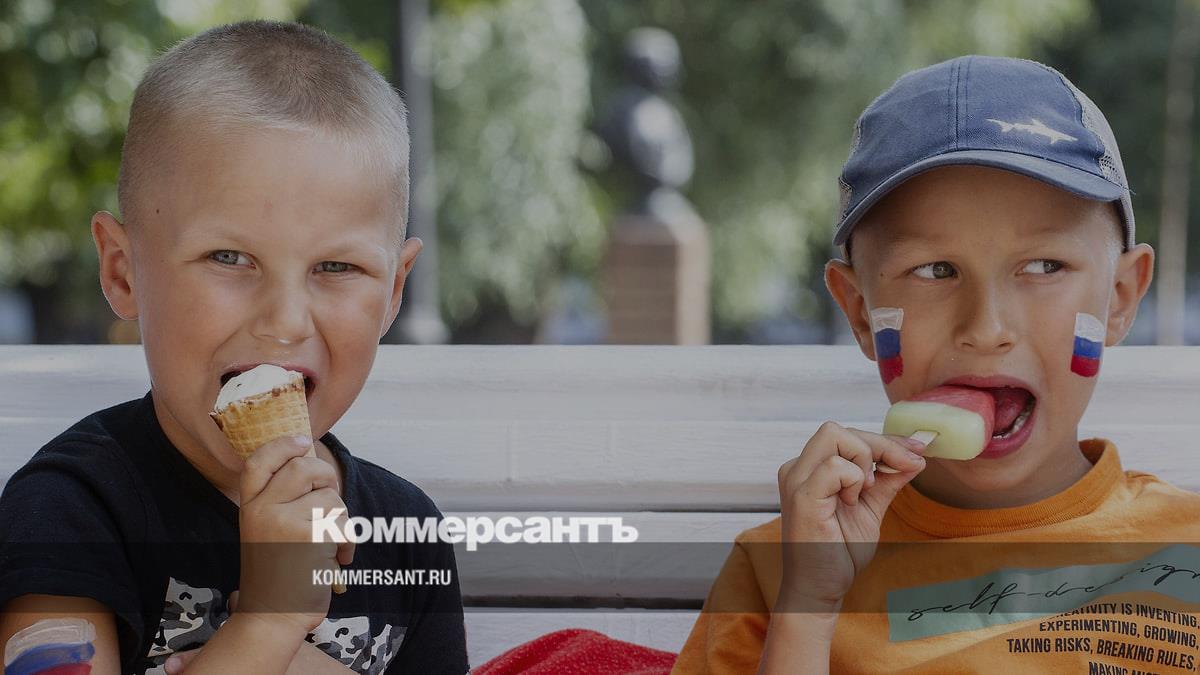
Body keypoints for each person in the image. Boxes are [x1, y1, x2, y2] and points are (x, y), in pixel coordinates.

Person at [673, 55, 1200, 674]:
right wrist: (810, 608)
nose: (986, 329)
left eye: (1043, 267)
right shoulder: (783, 573)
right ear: (861, 312)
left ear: (1120, 298)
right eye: (935, 270)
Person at [0, 20, 468, 674]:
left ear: (393, 292)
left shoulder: (407, 536)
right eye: (229, 257)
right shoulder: (68, 510)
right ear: (123, 272)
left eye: (337, 267)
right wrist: (269, 620)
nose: (284, 322)